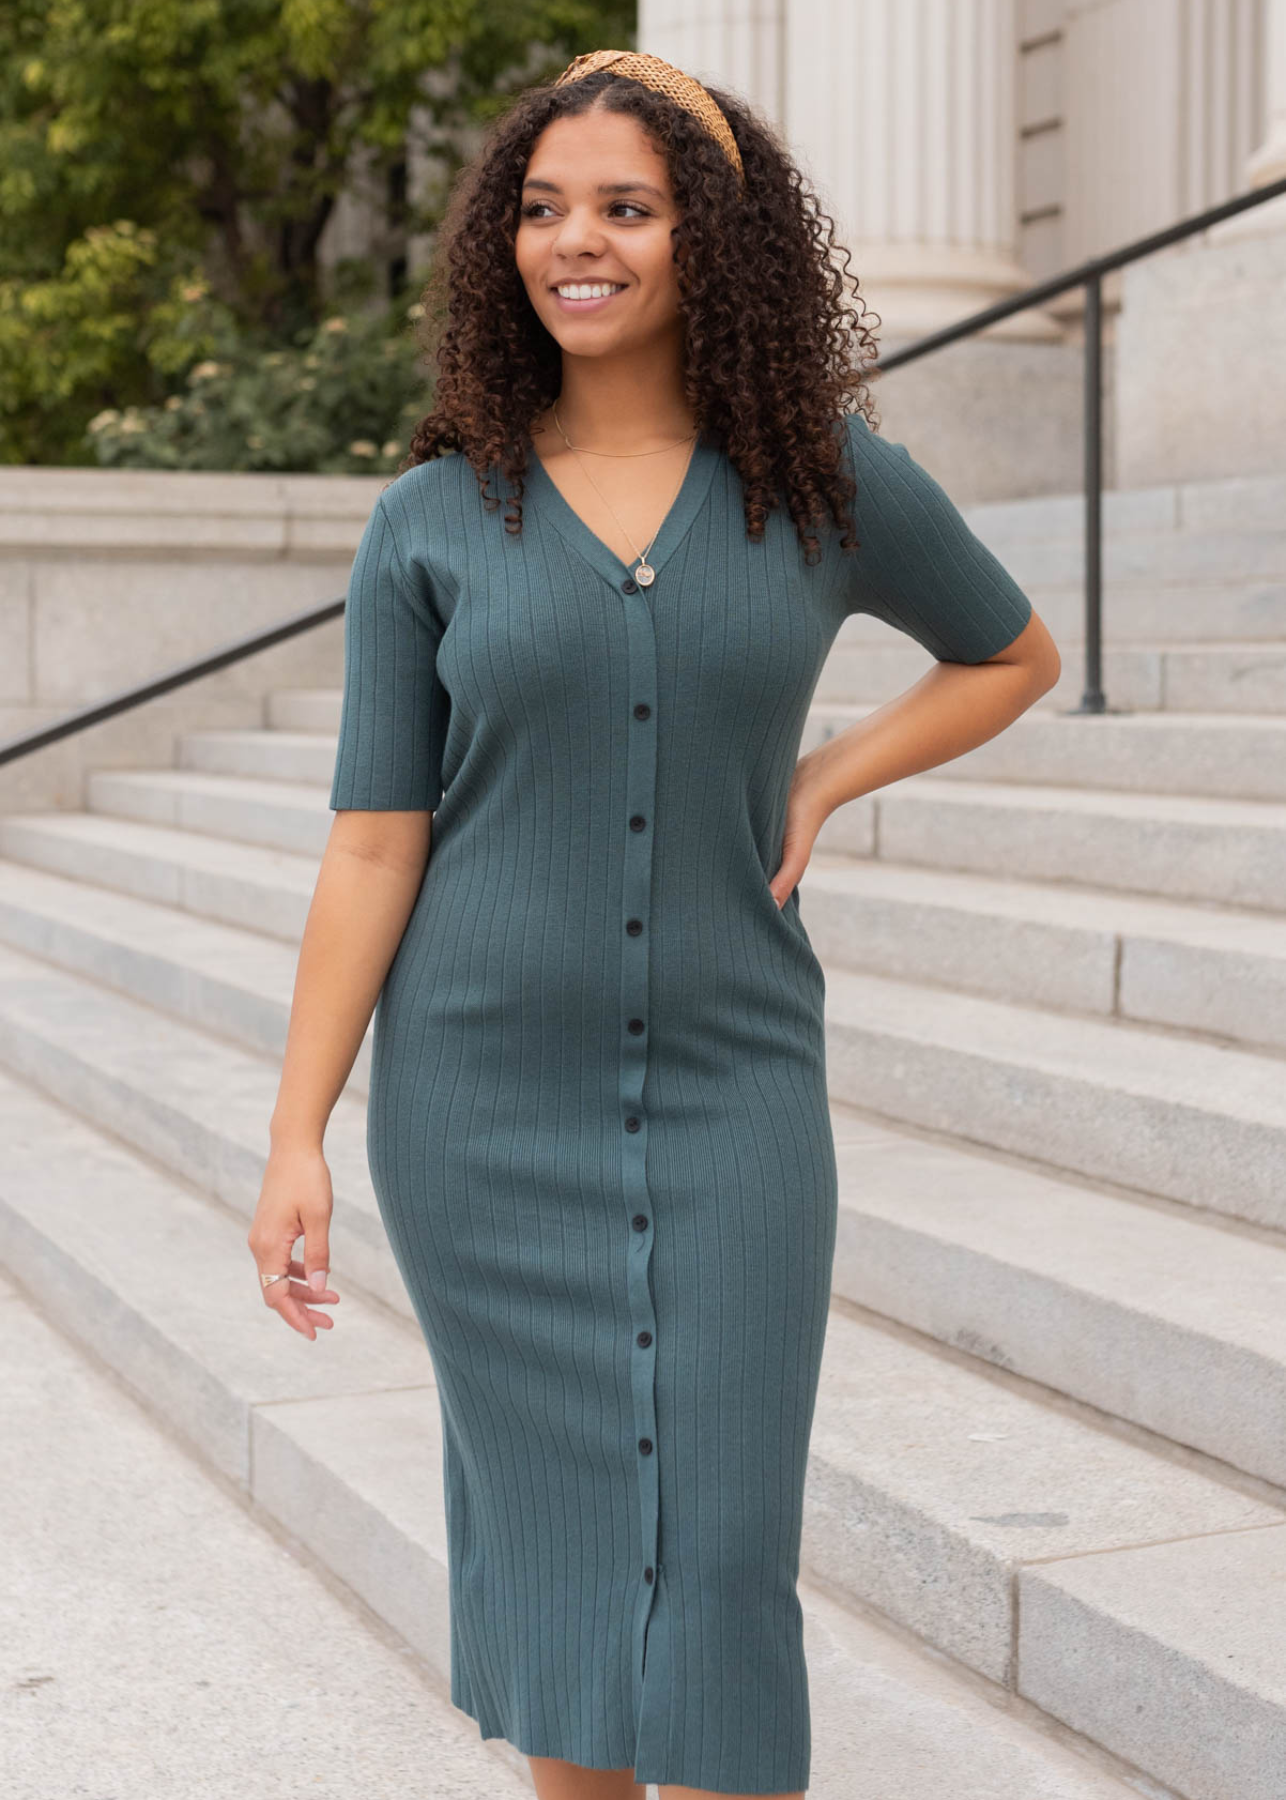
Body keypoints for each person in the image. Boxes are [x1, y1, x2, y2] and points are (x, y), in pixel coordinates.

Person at [247, 46, 1061, 1800]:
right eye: (542, 210)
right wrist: (296, 1131)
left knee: (718, 1564)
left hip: (735, 1096)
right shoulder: (430, 521)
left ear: (713, 241)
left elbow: (1009, 655)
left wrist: (831, 774)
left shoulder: (827, 483)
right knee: (553, 1564)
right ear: (499, 247)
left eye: (628, 204)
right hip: (475, 1113)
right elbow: (375, 847)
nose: (578, 242)